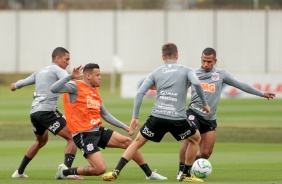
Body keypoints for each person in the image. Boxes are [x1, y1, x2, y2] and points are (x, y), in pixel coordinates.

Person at [102, 43, 211, 182]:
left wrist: (135, 117)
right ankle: (186, 175)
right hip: (177, 118)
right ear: (177, 56)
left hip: (157, 117)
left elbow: (140, 92)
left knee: (136, 142)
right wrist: (204, 104)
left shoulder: (156, 72)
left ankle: (116, 171)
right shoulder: (187, 70)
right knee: (195, 139)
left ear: (162, 57)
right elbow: (196, 83)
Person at [50, 63, 167, 180]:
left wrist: (125, 127)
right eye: (97, 75)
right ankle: (65, 172)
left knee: (128, 142)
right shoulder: (75, 86)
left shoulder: (94, 90)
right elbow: (54, 88)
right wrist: (71, 76)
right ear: (88, 76)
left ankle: (149, 174)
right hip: (83, 134)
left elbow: (105, 114)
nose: (100, 77)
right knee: (100, 169)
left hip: (97, 130)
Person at [176, 47, 276, 180]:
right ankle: (182, 170)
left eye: (209, 62)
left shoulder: (221, 75)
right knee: (190, 139)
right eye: (204, 61)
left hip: (209, 118)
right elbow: (177, 87)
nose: (206, 64)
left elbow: (240, 84)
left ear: (215, 61)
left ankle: (192, 164)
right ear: (201, 59)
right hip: (193, 112)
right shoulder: (192, 73)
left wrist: (261, 93)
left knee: (206, 153)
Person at [10, 47, 82, 180]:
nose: (68, 63)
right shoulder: (59, 70)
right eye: (66, 59)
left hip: (34, 113)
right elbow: (72, 84)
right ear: (57, 58)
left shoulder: (40, 71)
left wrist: (14, 85)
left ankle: (19, 172)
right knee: (73, 136)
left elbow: (21, 83)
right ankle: (66, 172)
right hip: (47, 112)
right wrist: (82, 85)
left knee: (40, 142)